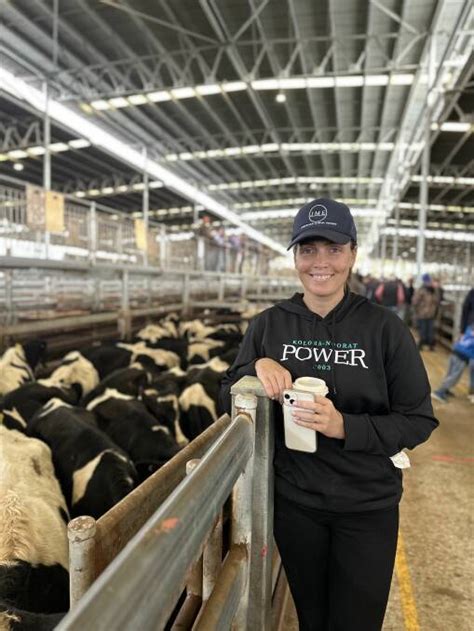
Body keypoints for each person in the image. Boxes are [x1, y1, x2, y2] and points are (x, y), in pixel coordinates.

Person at [220, 198, 438, 631]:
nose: (321, 262)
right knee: (313, 619)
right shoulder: (270, 325)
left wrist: (344, 426)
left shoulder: (384, 328)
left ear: (353, 253)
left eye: (334, 248)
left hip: (366, 505)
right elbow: (227, 390)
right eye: (308, 249)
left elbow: (418, 419)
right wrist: (254, 367)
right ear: (296, 258)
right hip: (297, 504)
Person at [432, 288, 474, 403]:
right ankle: (440, 392)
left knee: (451, 373)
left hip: (456, 351)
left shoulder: (471, 328)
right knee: (454, 376)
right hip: (463, 355)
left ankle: (445, 390)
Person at [412, 273, 439, 351]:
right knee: (428, 329)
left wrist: (416, 308)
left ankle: (424, 344)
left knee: (425, 329)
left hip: (424, 313)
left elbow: (415, 301)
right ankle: (428, 345)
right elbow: (437, 301)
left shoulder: (423, 290)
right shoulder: (432, 290)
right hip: (428, 313)